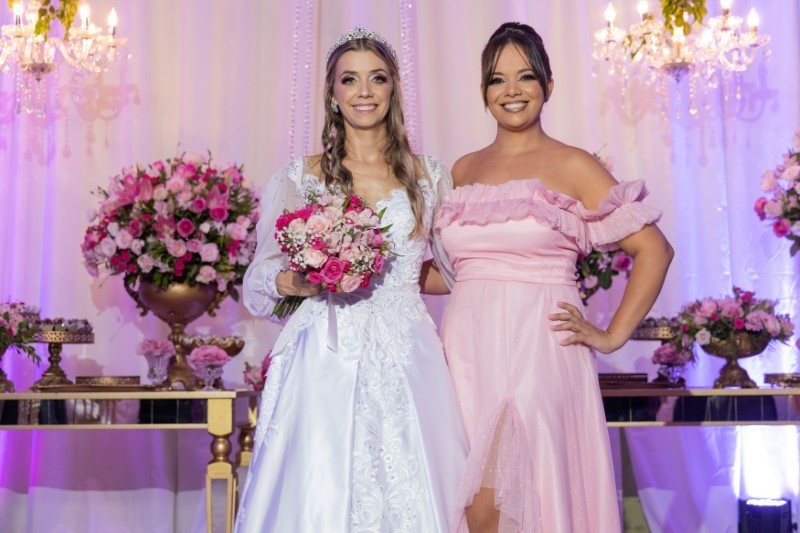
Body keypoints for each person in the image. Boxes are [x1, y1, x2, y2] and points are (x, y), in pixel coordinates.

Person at [423, 22, 674, 533]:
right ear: (483, 92)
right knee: (467, 507)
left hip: (539, 346)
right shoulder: (462, 170)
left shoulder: (573, 164)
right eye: (497, 79)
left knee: (505, 499)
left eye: (525, 76)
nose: (511, 90)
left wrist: (612, 335)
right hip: (464, 354)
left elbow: (654, 249)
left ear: (548, 85)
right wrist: (364, 263)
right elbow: (450, 275)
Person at [234, 27, 467, 532]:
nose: (364, 91)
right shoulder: (301, 176)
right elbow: (258, 279)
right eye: (350, 79)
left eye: (377, 78)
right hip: (325, 351)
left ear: (393, 88)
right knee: (322, 483)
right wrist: (296, 281)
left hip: (409, 348)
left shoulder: (429, 175)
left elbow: (456, 272)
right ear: (332, 93)